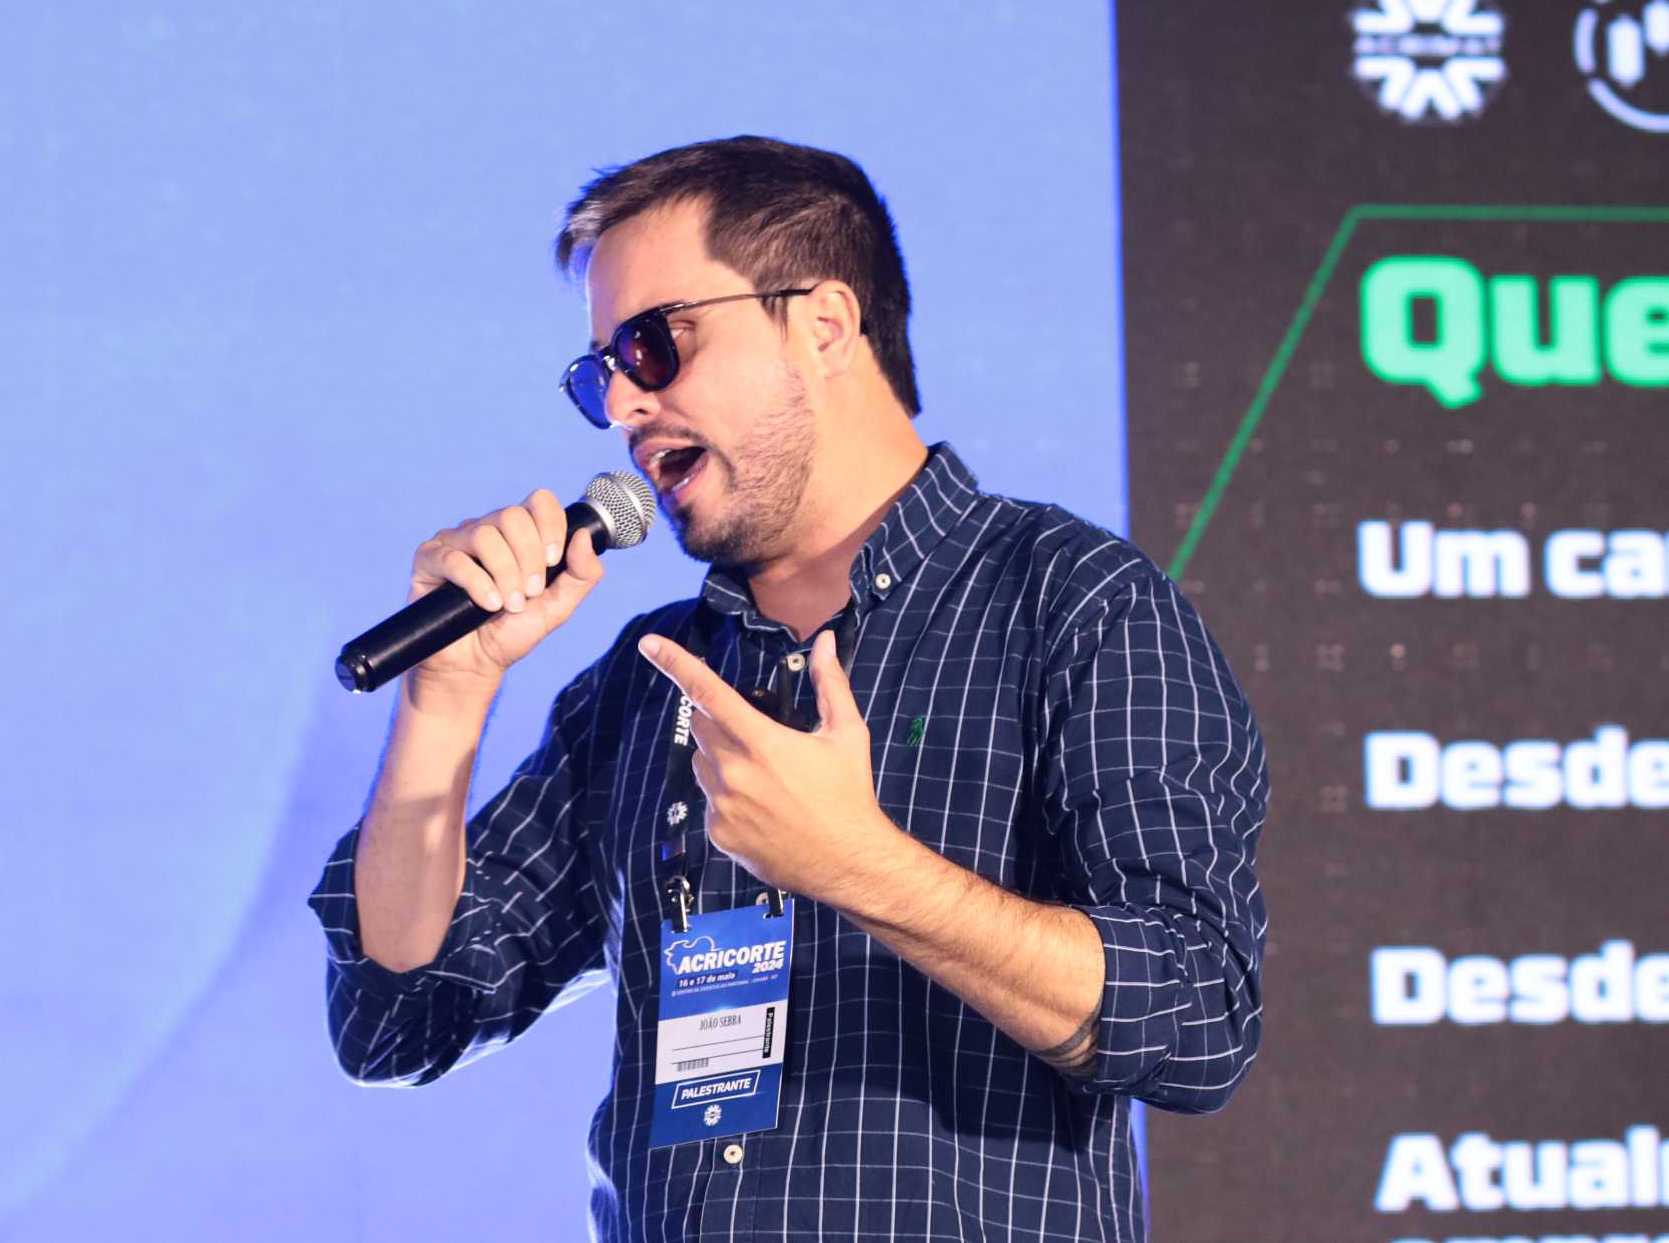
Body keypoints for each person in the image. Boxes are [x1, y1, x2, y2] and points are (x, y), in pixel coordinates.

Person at [308, 135, 1268, 1242]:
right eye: (596, 374)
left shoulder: (1071, 602)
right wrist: (445, 700)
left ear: (824, 326)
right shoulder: (647, 680)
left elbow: (1196, 1015)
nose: (620, 404)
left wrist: (859, 866)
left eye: (652, 345)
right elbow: (401, 1019)